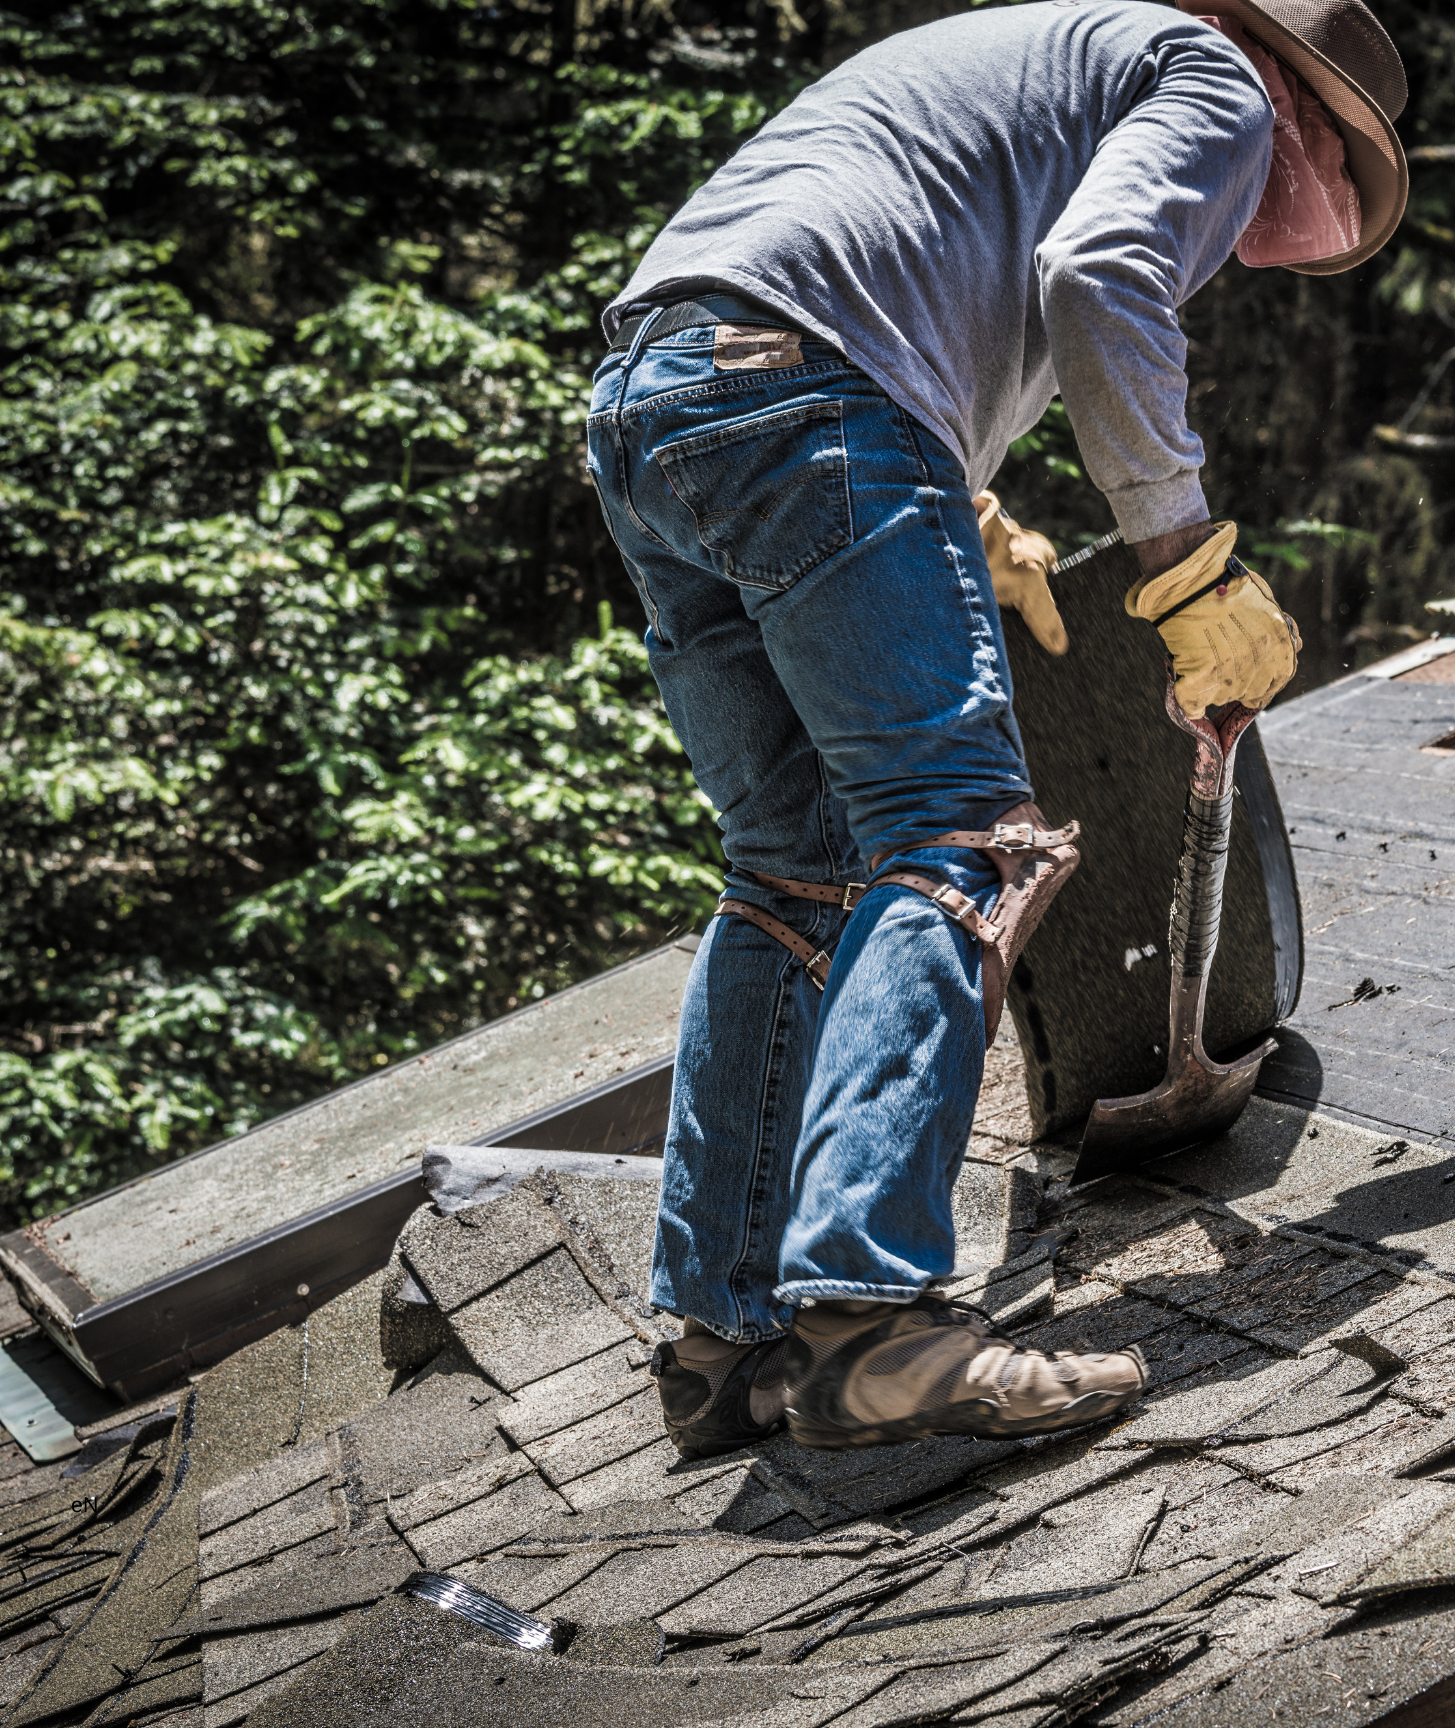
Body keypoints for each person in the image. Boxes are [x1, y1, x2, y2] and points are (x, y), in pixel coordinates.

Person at [584, 0, 1409, 1459]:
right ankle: (873, 1326)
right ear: (1307, 111)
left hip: (657, 404)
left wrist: (972, 508)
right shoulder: (1211, 72)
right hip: (816, 398)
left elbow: (880, 266)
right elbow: (1097, 274)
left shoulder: (1047, 61)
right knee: (962, 839)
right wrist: (1188, 566)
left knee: (791, 871)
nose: (1268, 216)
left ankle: (725, 1342)